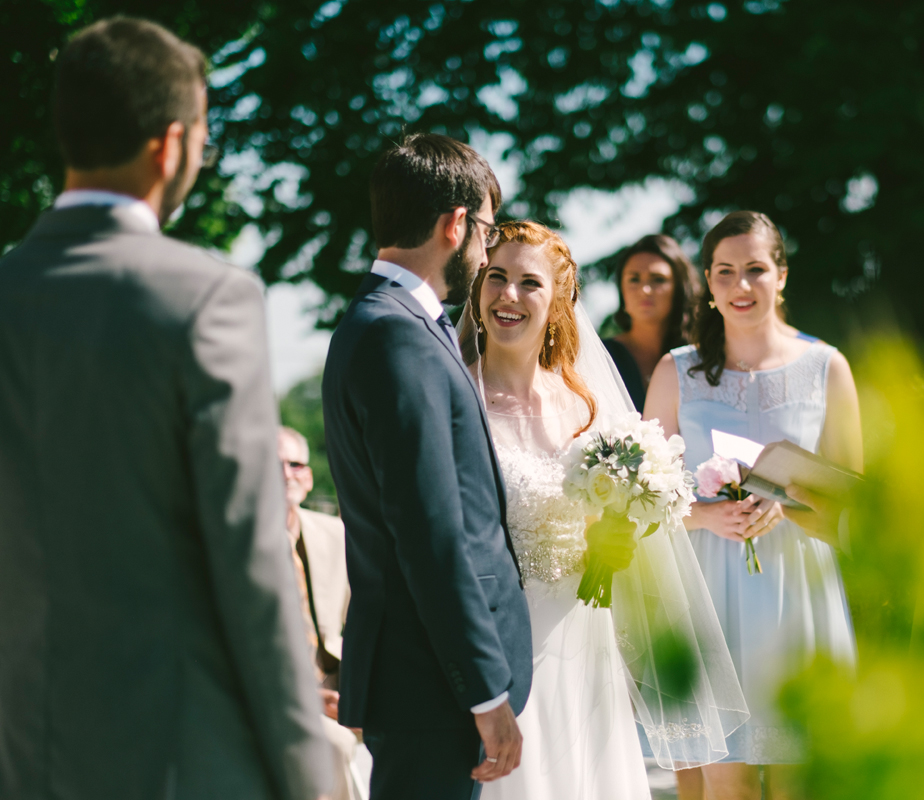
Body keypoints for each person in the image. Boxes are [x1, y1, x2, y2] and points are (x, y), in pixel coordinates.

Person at [0, 17, 332, 800]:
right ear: (170, 144)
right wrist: (304, 769)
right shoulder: (205, 298)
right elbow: (250, 557)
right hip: (178, 754)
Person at [459, 220, 748, 800]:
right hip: (499, 649)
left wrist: (614, 542)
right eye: (496, 277)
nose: (508, 295)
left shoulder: (583, 406)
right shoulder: (456, 397)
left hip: (585, 642)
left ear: (559, 300)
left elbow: (611, 527)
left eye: (529, 282)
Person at [322, 134, 532, 800]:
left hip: (426, 680)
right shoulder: (395, 335)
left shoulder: (391, 324)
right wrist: (483, 691)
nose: (486, 251)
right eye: (486, 231)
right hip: (431, 684)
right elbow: (431, 530)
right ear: (456, 223)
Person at [644, 210, 862, 800]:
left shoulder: (827, 368)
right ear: (709, 284)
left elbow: (855, 507)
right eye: (725, 272)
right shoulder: (676, 372)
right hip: (707, 590)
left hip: (799, 588)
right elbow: (643, 497)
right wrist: (706, 514)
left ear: (782, 275)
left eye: (756, 270)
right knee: (724, 777)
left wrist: (787, 508)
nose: (741, 286)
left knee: (801, 776)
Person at [278, 427, 360, 800]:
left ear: (309, 478)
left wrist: (363, 692)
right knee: (337, 745)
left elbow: (362, 618)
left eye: (294, 464)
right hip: (281, 695)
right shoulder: (240, 545)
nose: (284, 473)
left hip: (344, 687)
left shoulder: (336, 533)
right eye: (271, 463)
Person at [603, 234, 699, 412]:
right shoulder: (602, 357)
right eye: (634, 279)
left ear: (679, 288)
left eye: (658, 279)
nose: (645, 290)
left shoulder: (699, 358)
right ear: (621, 289)